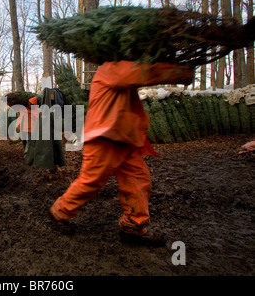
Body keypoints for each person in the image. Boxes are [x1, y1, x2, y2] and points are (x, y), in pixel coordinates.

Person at [49, 60, 194, 245]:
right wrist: (180, 71)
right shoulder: (112, 67)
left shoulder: (118, 67)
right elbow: (141, 73)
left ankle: (133, 225)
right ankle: (59, 212)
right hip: (105, 137)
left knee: (139, 180)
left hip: (124, 138)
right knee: (91, 181)